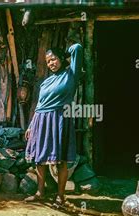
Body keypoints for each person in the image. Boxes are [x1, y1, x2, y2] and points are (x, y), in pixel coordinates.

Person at [25, 42, 83, 206]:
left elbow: (77, 47)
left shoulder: (71, 74)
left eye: (54, 59)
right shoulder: (46, 82)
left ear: (61, 59)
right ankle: (40, 193)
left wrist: (65, 53)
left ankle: (60, 196)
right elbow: (39, 104)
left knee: (61, 160)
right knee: (39, 159)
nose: (51, 63)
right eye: (48, 61)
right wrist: (30, 126)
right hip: (41, 120)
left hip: (59, 119)